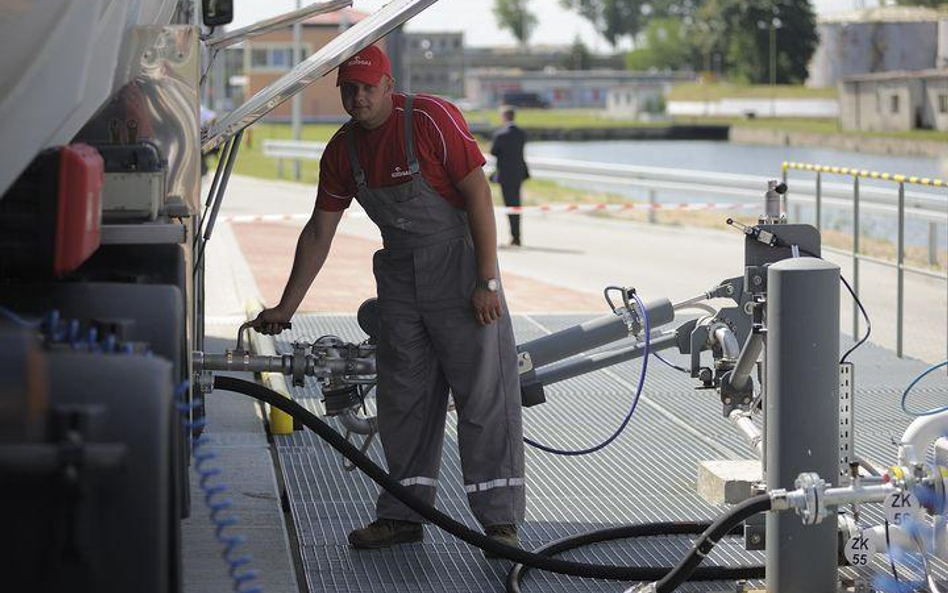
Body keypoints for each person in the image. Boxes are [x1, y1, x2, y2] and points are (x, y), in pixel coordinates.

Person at [252, 46, 525, 554]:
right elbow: (318, 232)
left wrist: (486, 280)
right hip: (399, 273)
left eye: (367, 88)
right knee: (404, 400)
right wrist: (285, 307)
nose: (358, 98)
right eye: (348, 90)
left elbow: (478, 195)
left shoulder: (429, 119)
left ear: (388, 84)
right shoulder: (342, 151)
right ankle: (403, 514)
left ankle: (499, 524)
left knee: (482, 396)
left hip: (460, 267)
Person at [490, 106, 529, 247]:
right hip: (519, 172)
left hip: (505, 174)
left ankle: (514, 237)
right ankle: (517, 236)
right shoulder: (521, 133)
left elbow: (494, 151)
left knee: (509, 205)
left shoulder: (500, 134)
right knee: (516, 204)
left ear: (504, 117)